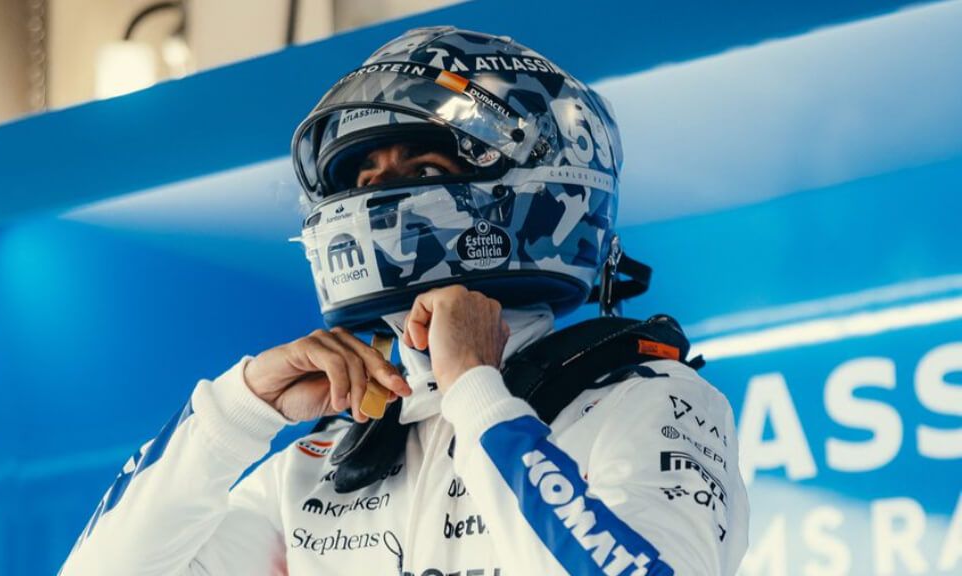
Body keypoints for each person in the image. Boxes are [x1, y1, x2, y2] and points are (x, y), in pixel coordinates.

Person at [60, 26, 748, 576]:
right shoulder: (322, 464)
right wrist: (238, 411)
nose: (372, 199)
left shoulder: (648, 401)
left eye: (422, 170)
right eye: (360, 177)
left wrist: (476, 392)